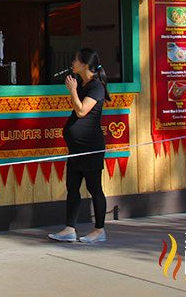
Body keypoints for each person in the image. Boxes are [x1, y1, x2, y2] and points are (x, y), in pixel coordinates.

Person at [48, 48, 111, 244]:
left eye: (75, 60)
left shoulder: (96, 87)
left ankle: (99, 230)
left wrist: (73, 91)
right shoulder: (84, 84)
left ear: (84, 64)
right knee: (72, 187)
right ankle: (69, 228)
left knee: (94, 188)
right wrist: (76, 89)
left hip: (91, 147)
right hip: (76, 149)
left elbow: (82, 111)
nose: (72, 63)